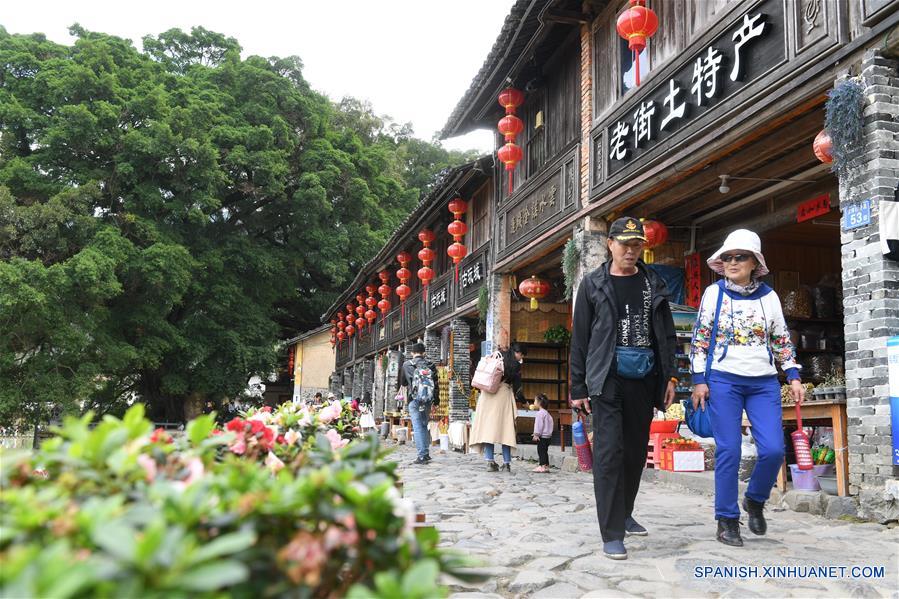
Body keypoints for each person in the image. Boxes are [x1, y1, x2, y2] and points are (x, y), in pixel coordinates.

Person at [569, 216, 677, 561]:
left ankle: (624, 511)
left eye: (636, 245)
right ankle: (612, 531)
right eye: (624, 244)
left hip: (644, 377)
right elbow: (581, 340)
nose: (630, 251)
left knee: (633, 453)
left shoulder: (653, 283)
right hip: (606, 378)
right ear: (610, 245)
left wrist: (670, 377)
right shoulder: (593, 284)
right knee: (609, 452)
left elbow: (667, 335)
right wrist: (578, 386)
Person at [690, 229, 805, 547]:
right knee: (729, 450)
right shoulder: (713, 294)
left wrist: (793, 375)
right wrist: (699, 380)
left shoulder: (769, 297)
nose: (732, 262)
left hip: (764, 382)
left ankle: (754, 500)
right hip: (723, 380)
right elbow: (699, 339)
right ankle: (726, 520)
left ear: (755, 262)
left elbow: (781, 339)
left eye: (740, 256)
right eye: (727, 257)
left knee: (773, 450)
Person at [470, 342, 527, 473]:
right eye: (522, 354)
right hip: (503, 397)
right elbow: (518, 391)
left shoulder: (496, 357)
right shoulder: (516, 366)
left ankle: (490, 461)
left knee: (488, 430)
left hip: (487, 395)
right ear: (518, 353)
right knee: (505, 431)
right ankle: (506, 464)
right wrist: (525, 402)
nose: (522, 357)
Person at [397, 342, 439, 465]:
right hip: (427, 400)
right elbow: (436, 385)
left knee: (417, 426)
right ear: (424, 353)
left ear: (412, 353)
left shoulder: (406, 365)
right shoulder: (430, 365)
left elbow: (403, 383)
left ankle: (422, 456)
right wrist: (436, 401)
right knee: (424, 425)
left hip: (414, 399)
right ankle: (425, 453)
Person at [532, 394, 553, 473]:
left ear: (539, 403)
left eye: (535, 401)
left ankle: (542, 466)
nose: (534, 402)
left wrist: (536, 434)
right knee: (545, 451)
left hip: (542, 436)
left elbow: (539, 425)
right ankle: (546, 465)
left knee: (541, 451)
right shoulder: (547, 413)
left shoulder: (540, 413)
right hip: (548, 437)